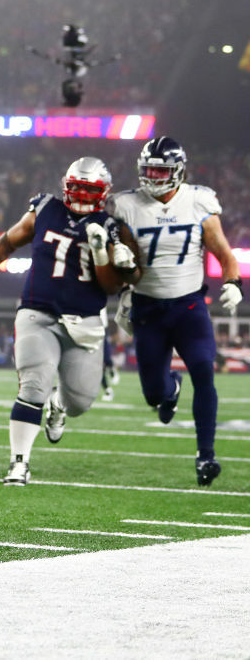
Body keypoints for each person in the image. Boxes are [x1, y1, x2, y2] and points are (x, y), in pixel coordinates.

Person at [0, 157, 128, 486]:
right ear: (66, 186)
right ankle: (19, 463)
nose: (81, 195)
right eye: (76, 188)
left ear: (103, 192)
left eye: (89, 190)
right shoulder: (46, 208)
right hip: (38, 312)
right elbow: (8, 241)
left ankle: (58, 404)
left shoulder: (111, 226)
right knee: (33, 383)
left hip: (85, 320)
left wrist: (101, 253)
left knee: (80, 401)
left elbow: (111, 286)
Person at [110, 136, 241, 486]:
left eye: (160, 170)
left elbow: (224, 253)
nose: (152, 177)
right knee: (154, 394)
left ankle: (206, 455)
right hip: (148, 308)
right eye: (148, 170)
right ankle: (170, 390)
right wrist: (124, 268)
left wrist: (233, 283)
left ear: (179, 171)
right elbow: (130, 272)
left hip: (189, 307)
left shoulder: (198, 201)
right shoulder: (127, 205)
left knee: (204, 372)